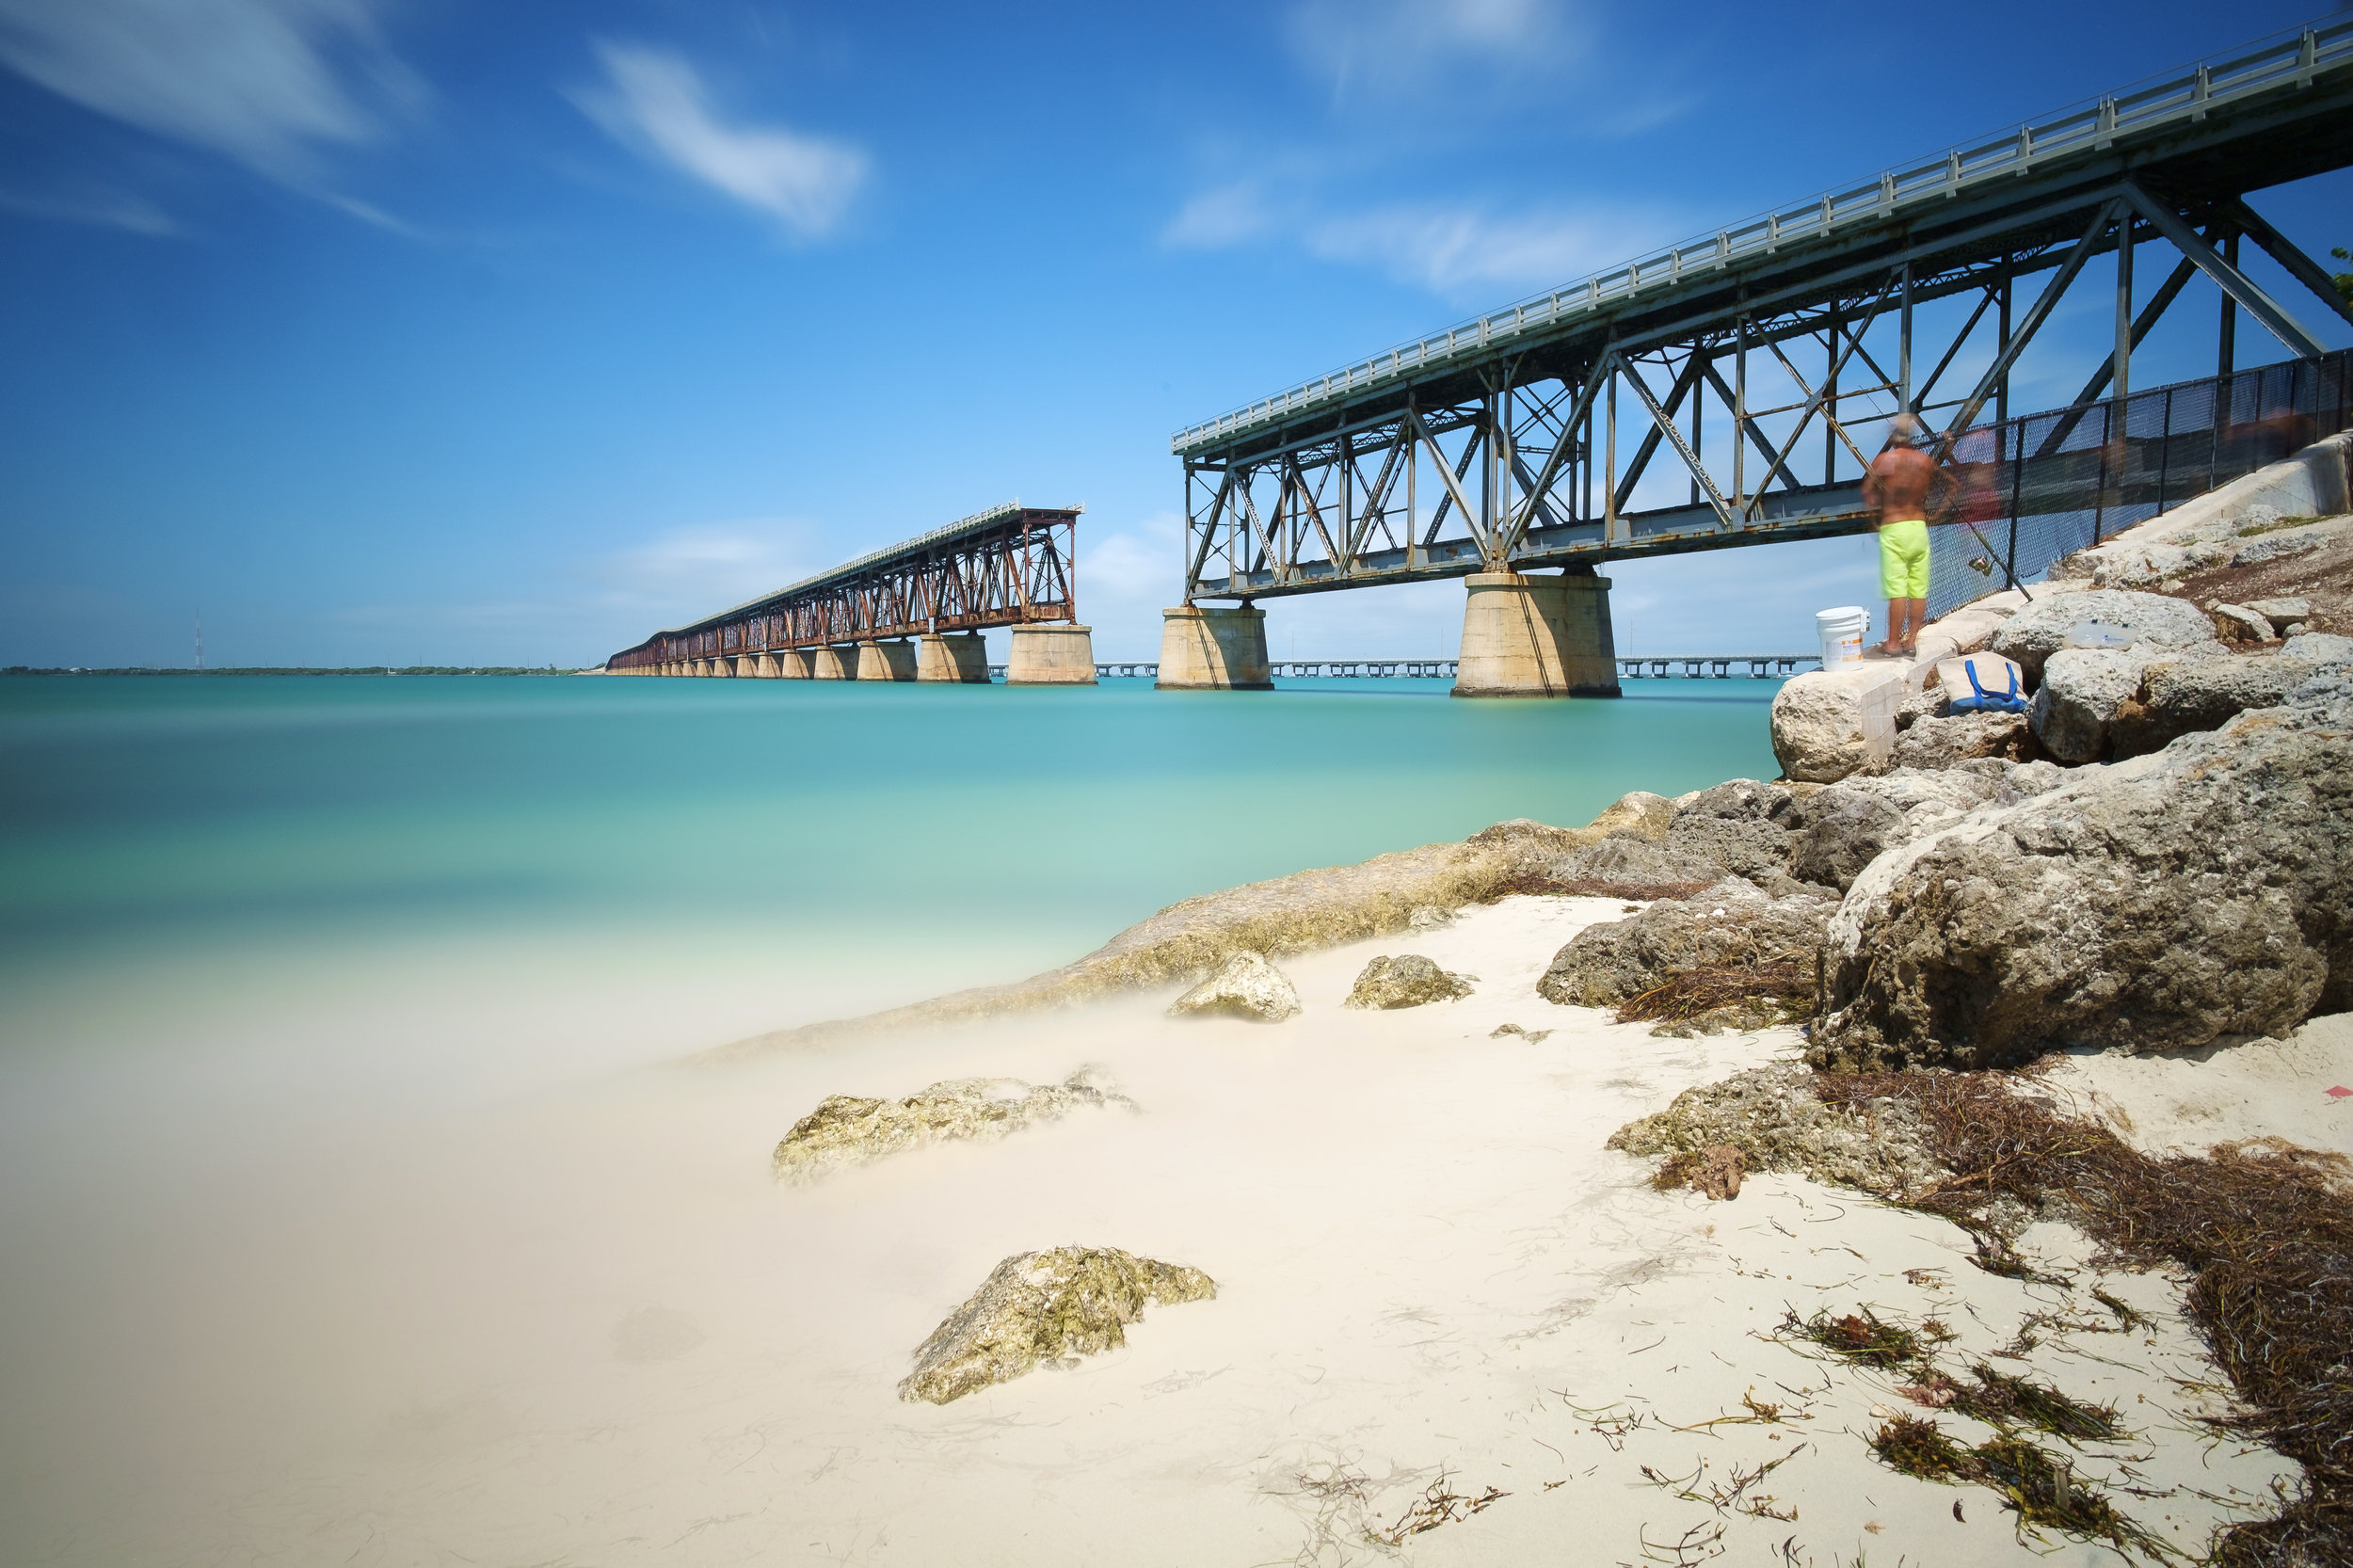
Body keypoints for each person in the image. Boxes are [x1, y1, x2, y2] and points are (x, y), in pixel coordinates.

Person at [1859, 414, 1947, 657]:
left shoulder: (1884, 461)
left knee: (1897, 589)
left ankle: (1893, 643)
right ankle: (1911, 642)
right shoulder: (1924, 461)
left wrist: (1876, 518)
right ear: (1912, 437)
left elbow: (1867, 491)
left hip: (1894, 527)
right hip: (1918, 527)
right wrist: (1937, 515)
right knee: (1918, 588)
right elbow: (1953, 485)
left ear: (1893, 436)